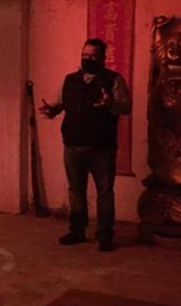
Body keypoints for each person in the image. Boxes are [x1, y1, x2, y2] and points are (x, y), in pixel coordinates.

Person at [39, 38, 131, 252]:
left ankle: (105, 235)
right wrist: (51, 111)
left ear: (103, 58)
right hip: (73, 146)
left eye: (93, 56)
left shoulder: (114, 80)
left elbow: (126, 107)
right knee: (76, 190)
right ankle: (77, 231)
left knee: (104, 193)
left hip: (102, 148)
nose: (88, 59)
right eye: (85, 55)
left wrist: (110, 103)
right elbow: (60, 103)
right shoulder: (70, 80)